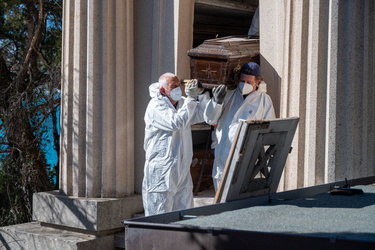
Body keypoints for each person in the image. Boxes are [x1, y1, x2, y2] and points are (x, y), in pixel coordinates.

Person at [142, 73, 209, 216]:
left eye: (179, 85)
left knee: (185, 215)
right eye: (173, 86)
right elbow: (176, 123)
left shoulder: (183, 103)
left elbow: (202, 115)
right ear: (162, 90)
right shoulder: (156, 105)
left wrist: (204, 95)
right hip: (161, 171)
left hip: (182, 169)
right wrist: (191, 98)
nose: (178, 88)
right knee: (159, 215)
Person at [204, 62, 276, 190]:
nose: (244, 85)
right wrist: (216, 102)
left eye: (248, 82)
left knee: (243, 197)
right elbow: (210, 119)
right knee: (221, 195)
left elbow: (269, 130)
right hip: (224, 154)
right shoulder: (228, 95)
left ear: (258, 82)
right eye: (242, 80)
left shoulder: (264, 100)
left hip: (248, 156)